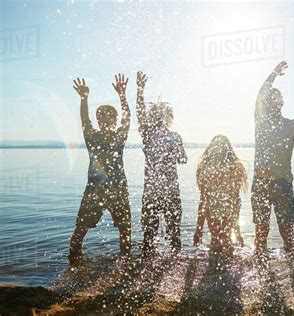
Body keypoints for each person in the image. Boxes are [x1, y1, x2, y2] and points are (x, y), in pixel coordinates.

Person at [252, 61, 294, 257]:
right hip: (261, 182)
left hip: (283, 184)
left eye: (276, 99)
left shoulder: (291, 125)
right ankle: (260, 268)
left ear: (281, 103)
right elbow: (262, 91)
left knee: (287, 231)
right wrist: (273, 74)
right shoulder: (260, 119)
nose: (272, 101)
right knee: (261, 232)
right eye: (269, 99)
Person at [69, 74, 132, 264]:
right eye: (102, 118)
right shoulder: (92, 137)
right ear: (98, 120)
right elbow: (84, 118)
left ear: (114, 120)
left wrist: (122, 96)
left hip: (118, 189)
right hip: (94, 189)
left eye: (109, 118)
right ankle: (74, 260)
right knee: (81, 228)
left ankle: (126, 264)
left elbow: (127, 119)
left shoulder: (119, 137)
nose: (106, 121)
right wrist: (84, 98)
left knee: (125, 230)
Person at [136, 71, 187, 256]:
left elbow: (183, 158)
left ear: (167, 117)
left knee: (173, 234)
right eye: (155, 115)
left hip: (168, 191)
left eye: (161, 115)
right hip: (153, 192)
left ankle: (172, 265)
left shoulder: (175, 137)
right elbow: (139, 114)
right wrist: (140, 90)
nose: (158, 118)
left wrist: (172, 156)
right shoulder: (148, 134)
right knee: (149, 235)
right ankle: (149, 266)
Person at [193, 135, 247, 258]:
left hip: (228, 207)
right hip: (212, 206)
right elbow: (203, 199)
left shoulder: (234, 168)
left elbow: (235, 200)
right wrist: (199, 229)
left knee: (223, 238)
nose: (219, 152)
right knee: (217, 238)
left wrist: (237, 231)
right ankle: (217, 269)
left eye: (221, 148)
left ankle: (222, 270)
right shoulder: (204, 169)